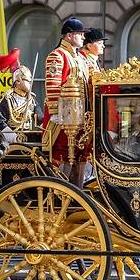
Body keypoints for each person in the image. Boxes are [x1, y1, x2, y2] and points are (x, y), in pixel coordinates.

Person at [42, 17, 91, 186]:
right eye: (80, 34)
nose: (84, 37)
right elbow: (53, 86)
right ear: (69, 36)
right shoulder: (57, 56)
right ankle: (59, 191)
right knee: (62, 153)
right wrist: (56, 113)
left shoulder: (81, 58)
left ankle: (77, 191)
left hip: (80, 115)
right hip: (64, 118)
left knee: (80, 153)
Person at [0, 66, 40, 143]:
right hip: (11, 138)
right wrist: (14, 138)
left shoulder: (32, 99)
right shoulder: (7, 98)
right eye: (28, 81)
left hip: (28, 136)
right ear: (18, 81)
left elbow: (40, 119)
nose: (30, 83)